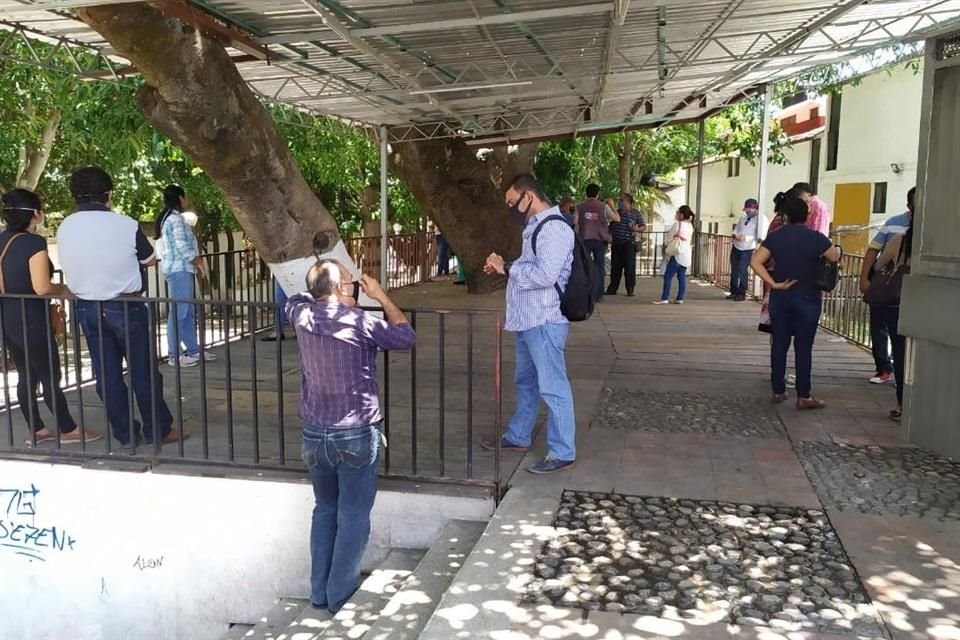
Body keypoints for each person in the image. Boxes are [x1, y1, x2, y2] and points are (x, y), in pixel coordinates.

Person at [287, 261, 415, 613]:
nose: (358, 287)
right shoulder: (360, 322)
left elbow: (296, 296)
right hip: (356, 432)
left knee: (325, 509)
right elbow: (406, 336)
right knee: (354, 515)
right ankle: (340, 595)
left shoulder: (301, 314)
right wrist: (380, 296)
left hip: (315, 433)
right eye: (352, 282)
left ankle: (318, 592)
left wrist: (323, 286)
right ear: (342, 288)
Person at [56, 167, 187, 450]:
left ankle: (126, 435)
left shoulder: (64, 226)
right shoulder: (125, 224)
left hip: (86, 308)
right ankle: (158, 430)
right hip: (126, 306)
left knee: (107, 376)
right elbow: (150, 259)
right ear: (108, 194)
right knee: (143, 371)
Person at [481, 173, 577, 474]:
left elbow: (545, 276)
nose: (510, 208)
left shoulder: (555, 229)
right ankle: (519, 435)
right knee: (526, 382)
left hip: (545, 319)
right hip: (527, 319)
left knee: (553, 386)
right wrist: (505, 265)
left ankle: (563, 451)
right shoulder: (535, 227)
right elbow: (531, 265)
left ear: (529, 196)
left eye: (512, 202)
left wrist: (507, 268)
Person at [0, 189, 102, 446]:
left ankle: (37, 429)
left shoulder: (1, 240)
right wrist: (65, 291)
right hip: (31, 315)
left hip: (8, 314)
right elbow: (41, 287)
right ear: (35, 214)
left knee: (26, 375)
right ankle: (67, 428)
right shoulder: (34, 244)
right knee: (49, 374)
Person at [750, 192, 841, 409]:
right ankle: (804, 395)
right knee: (803, 347)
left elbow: (755, 262)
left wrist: (773, 283)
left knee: (779, 343)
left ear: (786, 216)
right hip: (808, 297)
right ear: (807, 215)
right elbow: (834, 257)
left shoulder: (776, 237)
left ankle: (778, 390)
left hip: (781, 296)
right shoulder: (817, 238)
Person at [862, 188, 915, 419]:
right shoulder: (937, 236)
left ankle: (904, 402)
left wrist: (869, 276)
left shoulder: (899, 238)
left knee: (902, 350)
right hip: (919, 300)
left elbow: (878, 262)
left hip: (897, 300)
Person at [155, 185, 215, 367]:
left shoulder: (169, 218)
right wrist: (198, 262)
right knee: (180, 312)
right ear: (180, 198)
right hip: (180, 270)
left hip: (180, 269)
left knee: (187, 311)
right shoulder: (175, 220)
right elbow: (183, 247)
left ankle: (193, 349)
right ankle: (175, 354)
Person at [575, 184, 619, 302]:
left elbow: (575, 223)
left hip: (584, 241)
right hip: (600, 241)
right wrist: (612, 206)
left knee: (584, 267)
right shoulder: (604, 207)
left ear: (586, 193)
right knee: (599, 268)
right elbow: (617, 219)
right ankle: (599, 294)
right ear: (597, 194)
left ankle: (585, 293)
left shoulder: (579, 207)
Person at [606, 192, 647, 297]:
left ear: (628, 202)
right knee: (615, 267)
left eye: (621, 200)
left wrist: (636, 229)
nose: (619, 202)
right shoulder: (616, 212)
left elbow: (643, 226)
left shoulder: (635, 213)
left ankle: (630, 288)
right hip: (616, 243)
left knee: (629, 267)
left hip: (629, 244)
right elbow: (610, 227)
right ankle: (612, 288)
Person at [653, 206, 695, 305]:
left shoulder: (677, 224)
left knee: (668, 276)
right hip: (686, 254)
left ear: (681, 215)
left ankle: (665, 297)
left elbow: (669, 237)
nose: (676, 214)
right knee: (682, 276)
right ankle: (680, 298)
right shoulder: (690, 226)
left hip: (677, 254)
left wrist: (665, 246)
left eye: (677, 213)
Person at [728, 198, 767, 301]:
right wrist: (735, 235)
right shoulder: (743, 218)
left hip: (748, 248)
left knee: (742, 270)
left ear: (755, 209)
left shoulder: (761, 220)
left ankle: (742, 292)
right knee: (734, 269)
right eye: (746, 210)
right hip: (737, 246)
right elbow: (736, 229)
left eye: (749, 210)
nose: (747, 212)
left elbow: (760, 236)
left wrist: (746, 238)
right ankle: (733, 290)